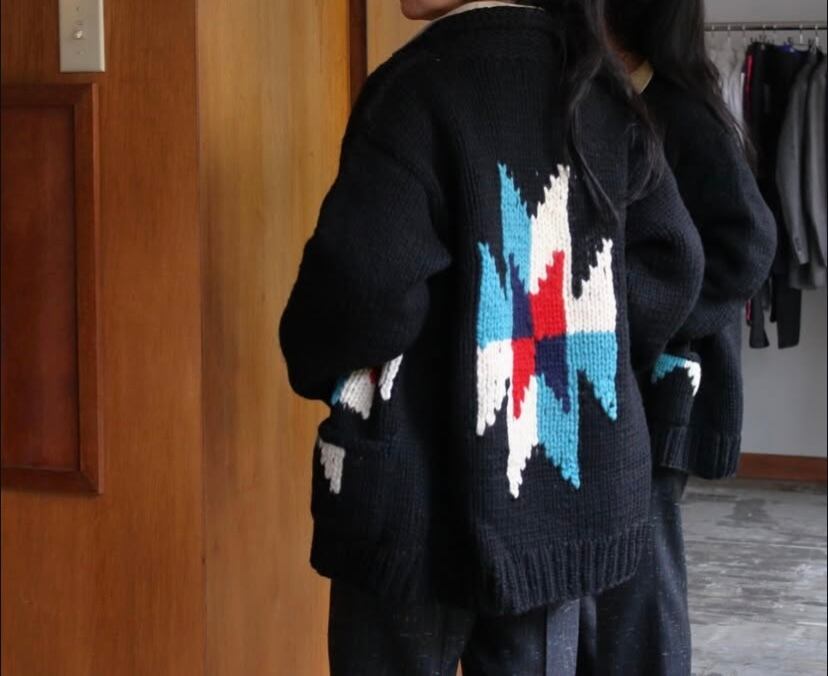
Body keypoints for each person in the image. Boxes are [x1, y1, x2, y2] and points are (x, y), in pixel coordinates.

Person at [280, 1, 705, 673]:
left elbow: (361, 285)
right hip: (553, 491)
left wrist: (319, 363)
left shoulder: (415, 89)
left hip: (408, 501)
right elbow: (674, 261)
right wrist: (598, 356)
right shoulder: (597, 85)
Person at [577, 2, 777, 674]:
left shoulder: (678, 112)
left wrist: (650, 319)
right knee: (608, 578)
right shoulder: (608, 99)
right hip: (623, 385)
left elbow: (749, 243)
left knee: (640, 585)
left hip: (665, 388)